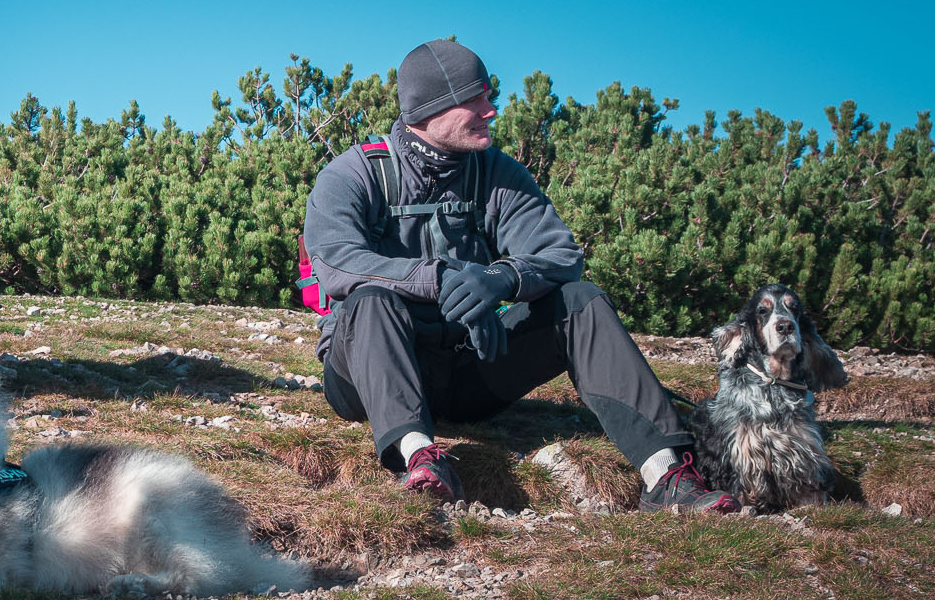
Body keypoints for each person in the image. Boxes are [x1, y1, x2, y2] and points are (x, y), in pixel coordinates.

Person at [302, 38, 736, 513]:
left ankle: (668, 474)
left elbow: (561, 253)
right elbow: (339, 263)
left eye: (490, 96)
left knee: (580, 300)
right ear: (432, 108)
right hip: (365, 377)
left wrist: (502, 278)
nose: (491, 111)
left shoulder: (496, 174)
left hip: (469, 372)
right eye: (477, 100)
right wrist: (440, 277)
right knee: (371, 300)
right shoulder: (353, 173)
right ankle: (419, 459)